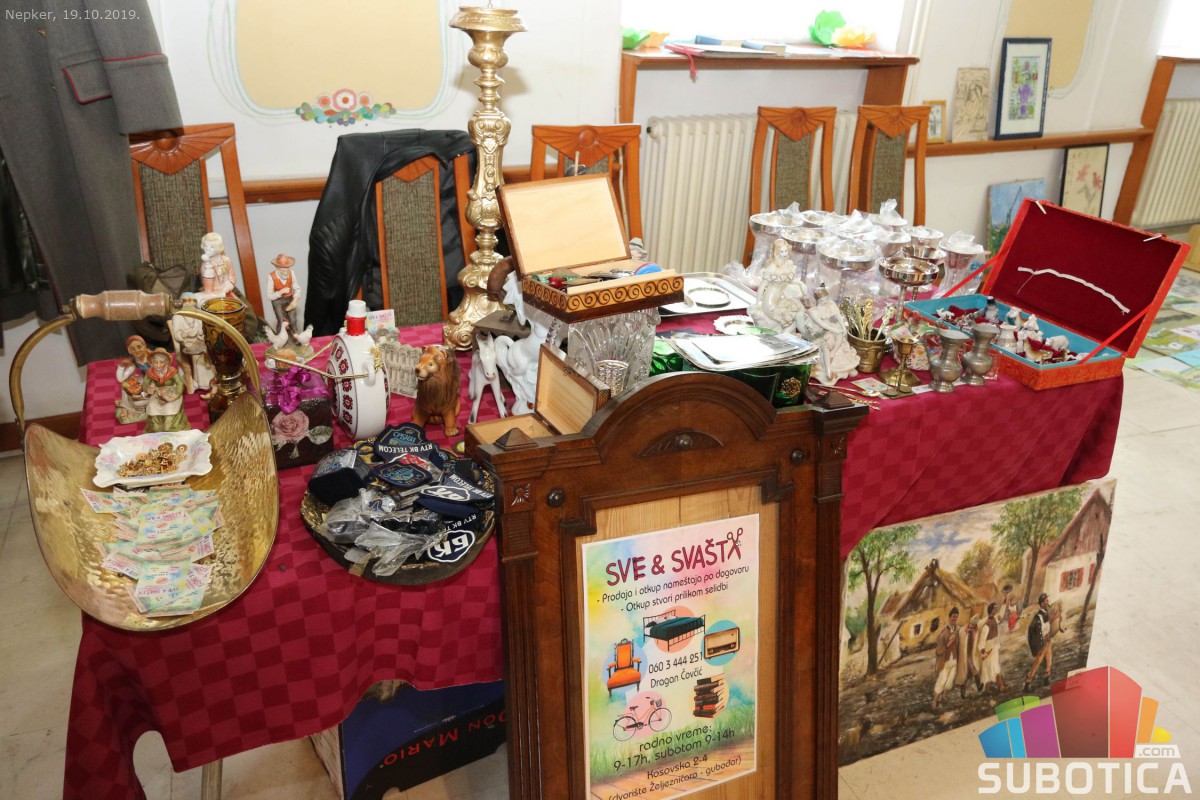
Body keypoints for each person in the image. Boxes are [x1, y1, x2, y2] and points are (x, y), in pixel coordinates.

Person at [805, 283, 859, 386]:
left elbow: (838, 317)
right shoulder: (814, 311)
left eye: (826, 299)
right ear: (817, 301)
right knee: (826, 345)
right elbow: (822, 324)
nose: (825, 302)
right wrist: (834, 329)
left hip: (830, 327)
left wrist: (843, 328)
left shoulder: (831, 304)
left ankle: (834, 352)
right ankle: (828, 371)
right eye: (822, 301)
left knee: (839, 333)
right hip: (819, 331)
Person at [167, 294, 214, 394]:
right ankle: (202, 382)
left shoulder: (198, 315)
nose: (190, 307)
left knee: (212, 351)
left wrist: (201, 333)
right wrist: (187, 334)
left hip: (200, 341)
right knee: (197, 356)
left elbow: (203, 329)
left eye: (192, 305)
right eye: (187, 304)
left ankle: (213, 379)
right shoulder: (178, 317)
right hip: (186, 345)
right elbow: (177, 335)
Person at [142, 348, 188, 432]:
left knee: (170, 408)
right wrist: (147, 389)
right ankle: (155, 427)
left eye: (161, 362)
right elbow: (145, 384)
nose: (158, 365)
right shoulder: (150, 372)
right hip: (157, 394)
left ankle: (171, 426)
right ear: (152, 362)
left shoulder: (172, 371)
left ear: (167, 362)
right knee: (152, 406)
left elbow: (180, 383)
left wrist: (176, 394)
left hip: (172, 393)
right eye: (155, 362)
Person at [1023, 593, 1058, 690]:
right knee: (1039, 660)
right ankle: (1028, 680)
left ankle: (1046, 676)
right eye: (1046, 601)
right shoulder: (1038, 617)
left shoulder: (1046, 613)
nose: (1048, 602)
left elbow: (1047, 624)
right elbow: (1036, 631)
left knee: (1049, 658)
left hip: (1047, 638)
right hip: (1042, 640)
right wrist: (1041, 643)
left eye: (1048, 600)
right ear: (1042, 603)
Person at [114, 335, 152, 424]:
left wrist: (141, 395)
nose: (137, 350)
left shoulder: (153, 358)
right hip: (146, 384)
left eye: (139, 347)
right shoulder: (135, 361)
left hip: (156, 387)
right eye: (133, 349)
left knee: (136, 404)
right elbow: (121, 379)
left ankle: (132, 409)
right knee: (126, 385)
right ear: (129, 351)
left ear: (145, 346)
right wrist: (121, 366)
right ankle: (125, 407)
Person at [266, 253, 302, 341]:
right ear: (277, 268)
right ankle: (280, 339)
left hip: (289, 299)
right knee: (282, 321)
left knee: (293, 320)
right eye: (283, 270)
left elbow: (297, 288)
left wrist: (295, 300)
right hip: (277, 301)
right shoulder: (271, 276)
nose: (286, 272)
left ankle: (295, 338)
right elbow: (269, 296)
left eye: (287, 269)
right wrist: (280, 292)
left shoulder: (291, 273)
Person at [932, 607, 961, 711]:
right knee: (942, 680)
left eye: (956, 617)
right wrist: (947, 645)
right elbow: (938, 651)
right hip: (945, 661)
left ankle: (944, 696)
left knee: (950, 680)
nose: (954, 619)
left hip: (954, 660)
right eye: (953, 616)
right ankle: (935, 700)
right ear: (949, 617)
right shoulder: (943, 633)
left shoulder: (957, 630)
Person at [979, 602, 1006, 692]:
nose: (996, 610)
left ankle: (987, 688)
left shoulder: (994, 619)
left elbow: (1000, 615)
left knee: (988, 667)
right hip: (989, 647)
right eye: (995, 609)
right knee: (994, 667)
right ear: (991, 610)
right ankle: (1001, 686)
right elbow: (982, 638)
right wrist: (983, 652)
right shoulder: (987, 624)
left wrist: (1004, 603)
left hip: (993, 646)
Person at [200, 232, 237, 297]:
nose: (207, 249)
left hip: (227, 292)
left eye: (212, 247)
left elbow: (232, 276)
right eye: (205, 245)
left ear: (219, 247)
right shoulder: (205, 266)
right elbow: (208, 287)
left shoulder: (226, 260)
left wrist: (230, 284)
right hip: (215, 295)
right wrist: (208, 263)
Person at [959, 613, 984, 698]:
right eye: (972, 626)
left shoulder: (976, 631)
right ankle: (964, 692)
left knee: (972, 670)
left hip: (972, 654)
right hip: (965, 655)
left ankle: (979, 687)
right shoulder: (963, 631)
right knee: (965, 674)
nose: (973, 628)